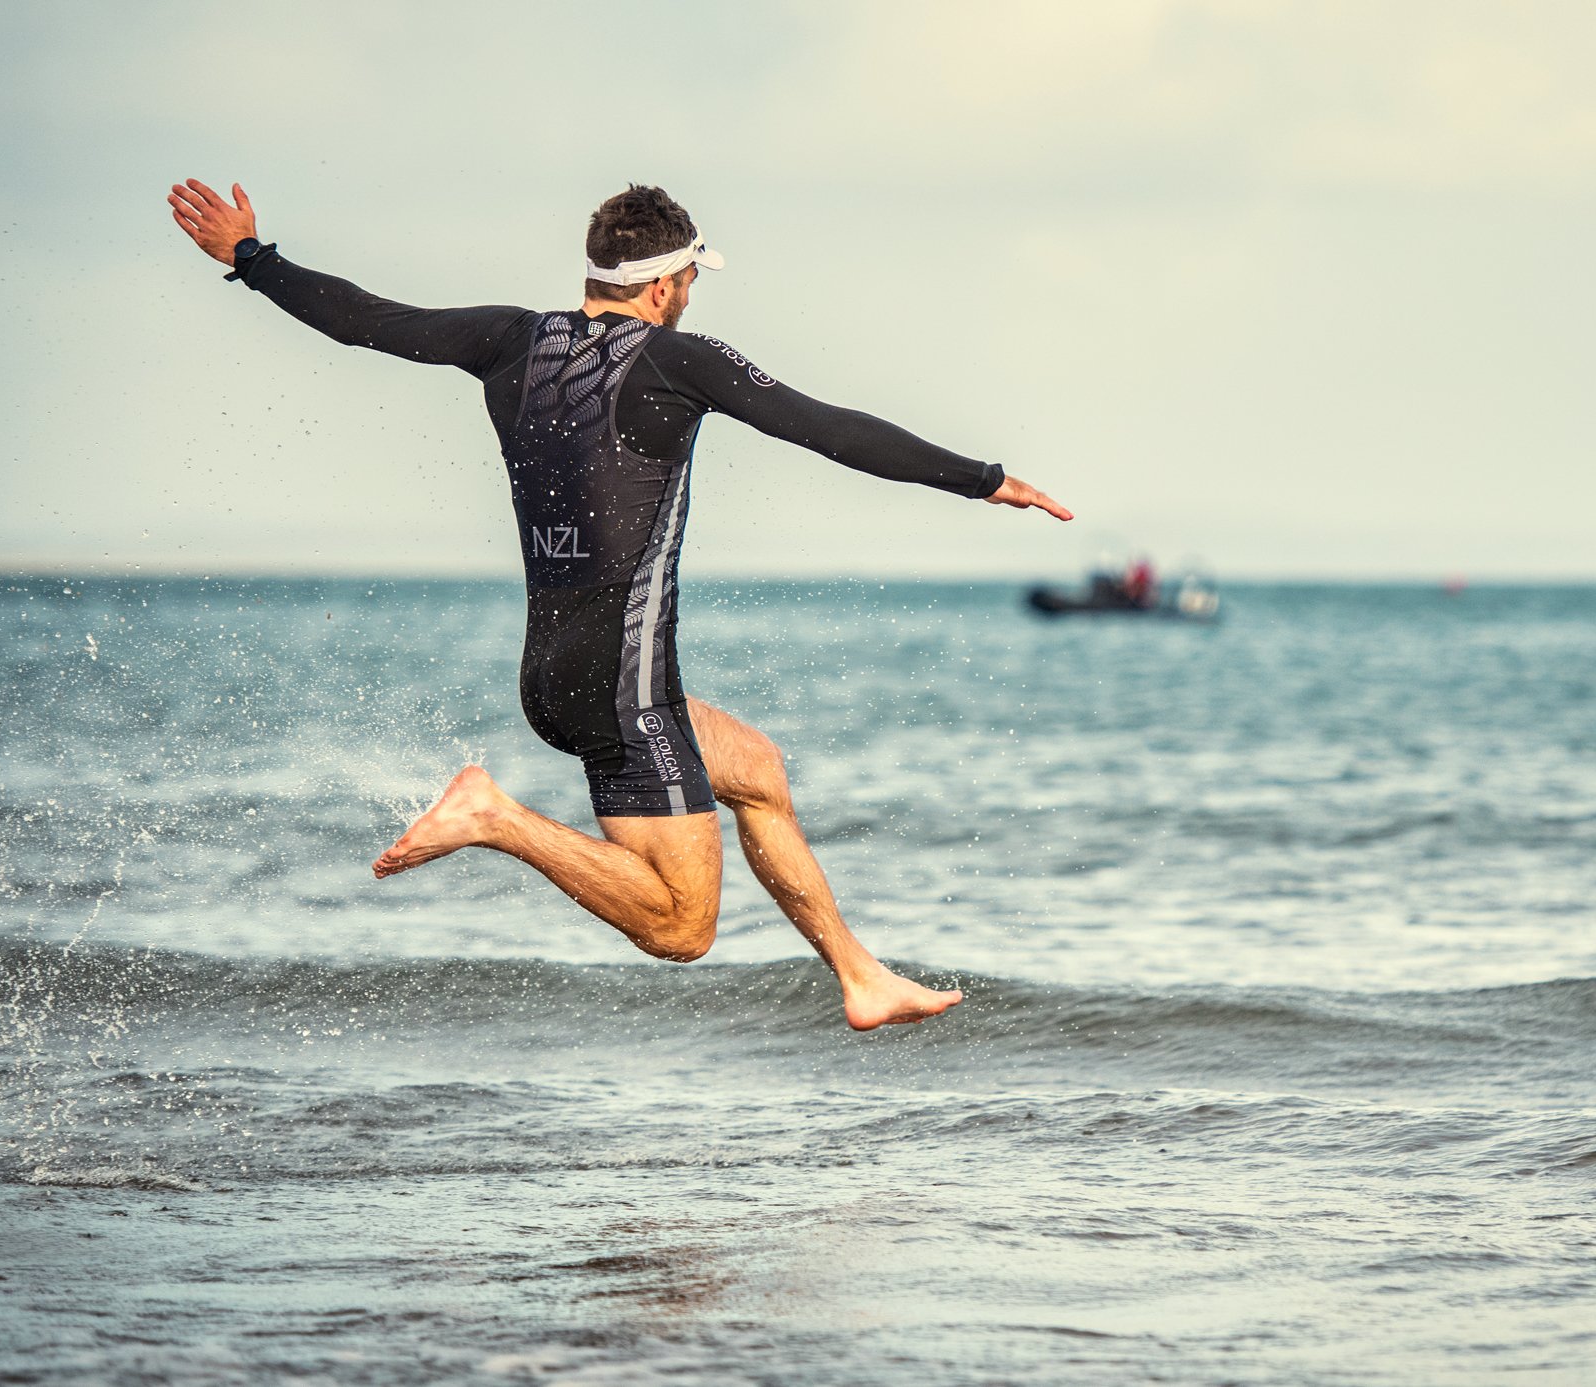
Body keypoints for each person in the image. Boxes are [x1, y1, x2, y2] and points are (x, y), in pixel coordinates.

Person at [166, 178, 1071, 1029]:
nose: (689, 295)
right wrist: (984, 480)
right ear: (667, 285)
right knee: (683, 928)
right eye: (689, 279)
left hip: (557, 674)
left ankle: (859, 976)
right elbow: (827, 428)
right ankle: (495, 816)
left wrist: (250, 257)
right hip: (622, 695)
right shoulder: (680, 362)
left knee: (756, 770)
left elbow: (366, 320)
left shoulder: (511, 339)